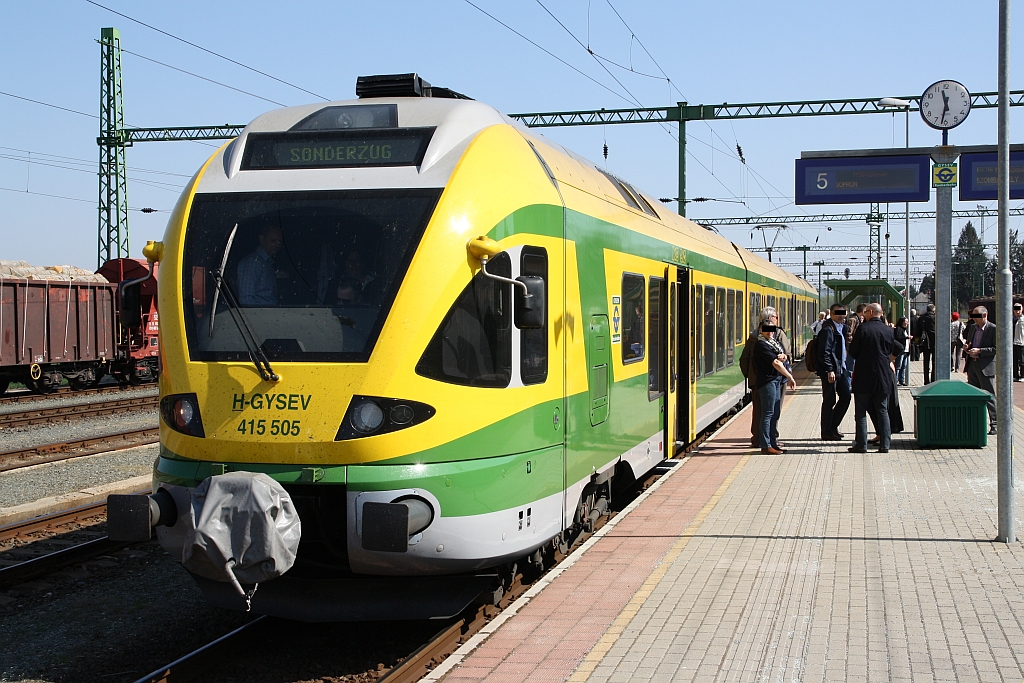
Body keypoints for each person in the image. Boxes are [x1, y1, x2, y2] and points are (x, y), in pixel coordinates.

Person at [739, 307, 791, 447]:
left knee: (759, 410)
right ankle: (771, 439)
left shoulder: (753, 336)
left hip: (757, 380)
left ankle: (757, 438)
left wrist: (750, 375)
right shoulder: (777, 333)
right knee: (773, 410)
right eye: (776, 317)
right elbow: (787, 353)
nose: (776, 319)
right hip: (775, 379)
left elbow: (744, 359)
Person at [849, 303, 895, 453]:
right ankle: (885, 444)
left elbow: (853, 352)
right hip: (882, 375)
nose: (863, 315)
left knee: (861, 412)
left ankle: (861, 445)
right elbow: (892, 349)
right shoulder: (888, 330)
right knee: (882, 410)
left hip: (864, 375)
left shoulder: (863, 329)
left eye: (865, 313)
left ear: (870, 312)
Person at [752, 320, 796, 455]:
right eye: (766, 329)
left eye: (772, 329)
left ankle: (773, 442)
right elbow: (775, 362)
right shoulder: (761, 344)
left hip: (776, 380)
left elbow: (780, 356)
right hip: (767, 382)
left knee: (775, 412)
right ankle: (765, 445)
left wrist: (783, 356)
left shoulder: (774, 343)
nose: (770, 331)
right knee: (768, 413)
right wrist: (790, 377)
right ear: (760, 330)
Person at [816, 304, 851, 441]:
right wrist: (829, 369)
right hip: (831, 371)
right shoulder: (828, 330)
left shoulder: (842, 328)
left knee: (846, 397)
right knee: (829, 400)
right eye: (838, 313)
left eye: (843, 313)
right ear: (831, 313)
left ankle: (833, 426)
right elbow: (824, 352)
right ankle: (826, 431)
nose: (841, 316)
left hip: (840, 369)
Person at [963, 306, 998, 435]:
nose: (974, 319)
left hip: (986, 366)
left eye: (976, 317)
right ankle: (975, 422)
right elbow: (969, 342)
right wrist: (967, 347)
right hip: (973, 364)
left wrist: (980, 351)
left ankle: (995, 423)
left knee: (989, 395)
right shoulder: (973, 328)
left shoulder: (993, 329)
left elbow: (996, 348)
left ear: (984, 316)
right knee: (973, 395)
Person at [236, 225, 283, 306]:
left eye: (279, 241)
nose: (277, 245)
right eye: (273, 241)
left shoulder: (268, 263)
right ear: (262, 239)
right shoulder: (252, 263)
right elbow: (246, 300)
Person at [917, 303, 936, 384]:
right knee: (935, 362)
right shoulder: (936, 318)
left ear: (927, 310)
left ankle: (926, 381)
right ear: (933, 310)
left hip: (925, 342)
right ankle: (933, 379)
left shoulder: (921, 318)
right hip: (935, 342)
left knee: (926, 361)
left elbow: (917, 330)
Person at [893, 316, 911, 386]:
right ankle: (896, 380)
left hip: (905, 350)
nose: (907, 323)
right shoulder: (898, 329)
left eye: (907, 322)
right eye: (905, 322)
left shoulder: (905, 330)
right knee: (898, 365)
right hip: (901, 351)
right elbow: (898, 337)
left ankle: (902, 380)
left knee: (904, 366)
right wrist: (906, 337)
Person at [1013, 303, 1024, 382]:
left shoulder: (1023, 319)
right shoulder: (1011, 320)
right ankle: (1015, 376)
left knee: (1022, 361)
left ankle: (1023, 375)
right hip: (1013, 343)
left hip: (1022, 342)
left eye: (1019, 309)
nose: (1017, 311)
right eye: (1016, 309)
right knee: (1014, 361)